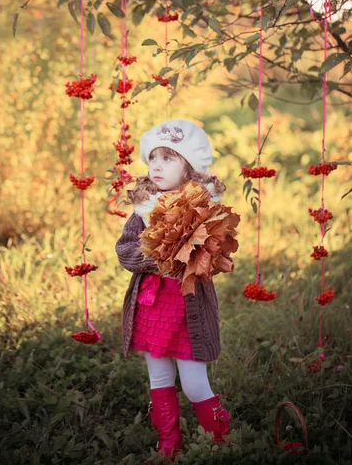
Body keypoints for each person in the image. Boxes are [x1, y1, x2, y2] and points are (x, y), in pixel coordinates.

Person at [115, 119, 235, 459]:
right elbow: (125, 250)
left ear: (190, 167)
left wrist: (192, 251)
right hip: (153, 307)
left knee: (195, 382)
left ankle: (219, 439)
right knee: (160, 376)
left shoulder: (204, 209)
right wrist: (159, 253)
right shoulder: (144, 209)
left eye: (168, 158)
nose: (156, 165)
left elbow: (216, 254)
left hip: (187, 310)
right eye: (154, 157)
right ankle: (169, 441)